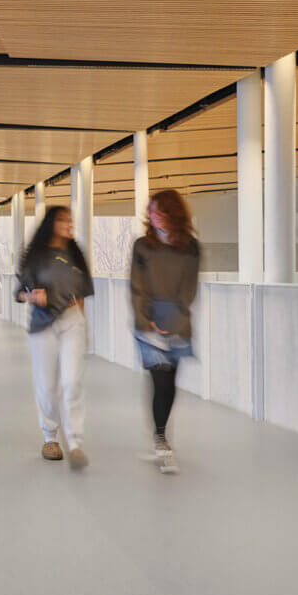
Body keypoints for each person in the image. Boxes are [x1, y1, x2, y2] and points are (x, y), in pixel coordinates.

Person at [14, 206, 94, 469]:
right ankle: (50, 438)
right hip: (42, 323)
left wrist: (83, 325)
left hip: (72, 321)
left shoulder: (74, 254)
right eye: (63, 220)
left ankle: (75, 442)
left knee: (72, 382)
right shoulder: (35, 256)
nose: (68, 225)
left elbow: (82, 292)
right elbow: (19, 292)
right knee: (47, 385)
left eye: (70, 220)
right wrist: (32, 296)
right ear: (51, 223)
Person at [129, 189, 201, 475]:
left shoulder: (191, 247)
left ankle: (160, 436)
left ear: (173, 213)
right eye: (151, 211)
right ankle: (162, 440)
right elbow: (137, 287)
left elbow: (189, 289)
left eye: (159, 211)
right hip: (147, 322)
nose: (153, 216)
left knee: (171, 383)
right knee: (159, 379)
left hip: (178, 321)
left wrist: (173, 321)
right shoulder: (142, 246)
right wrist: (147, 322)